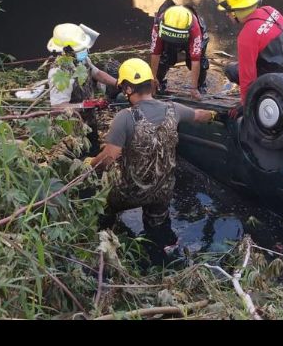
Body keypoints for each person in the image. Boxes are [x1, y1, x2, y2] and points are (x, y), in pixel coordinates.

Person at [85, 58, 216, 244]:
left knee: (103, 206)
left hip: (129, 192)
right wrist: (215, 115)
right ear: (151, 85)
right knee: (158, 230)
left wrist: (89, 165)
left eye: (123, 87)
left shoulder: (124, 118)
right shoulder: (174, 109)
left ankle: (104, 238)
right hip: (163, 190)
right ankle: (163, 251)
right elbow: (199, 115)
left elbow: (108, 158)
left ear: (128, 89)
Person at [206, 0, 283, 117]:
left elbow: (247, 76)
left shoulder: (247, 35)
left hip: (280, 77)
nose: (227, 15)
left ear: (235, 12)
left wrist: (246, 104)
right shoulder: (269, 10)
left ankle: (266, 94)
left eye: (227, 12)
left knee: (232, 70)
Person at [46, 23, 118, 153]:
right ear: (67, 52)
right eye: (81, 49)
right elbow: (57, 108)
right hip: (73, 128)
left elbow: (96, 73)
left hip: (89, 120)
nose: (85, 52)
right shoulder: (59, 73)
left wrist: (118, 83)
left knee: (94, 148)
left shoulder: (81, 60)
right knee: (81, 157)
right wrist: (86, 104)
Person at [150, 0, 210, 100]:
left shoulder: (195, 27)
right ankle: (159, 83)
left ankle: (200, 86)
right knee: (164, 59)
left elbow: (196, 59)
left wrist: (193, 88)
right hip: (167, 39)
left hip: (189, 37)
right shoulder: (158, 24)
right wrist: (152, 78)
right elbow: (155, 52)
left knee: (200, 62)